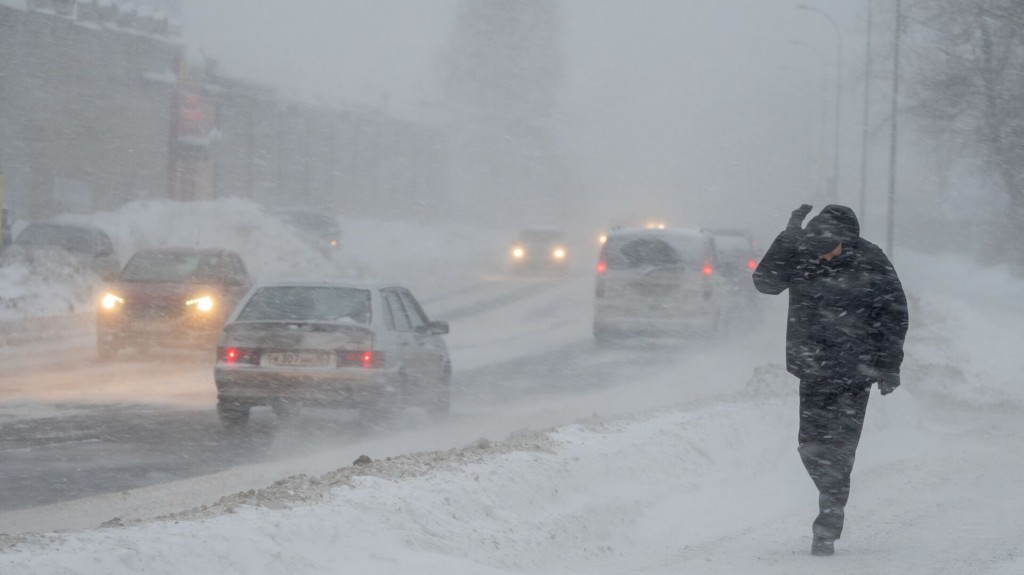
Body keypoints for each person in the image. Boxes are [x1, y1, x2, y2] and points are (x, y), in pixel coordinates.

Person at [752, 204, 909, 556]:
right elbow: (765, 283)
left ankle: (828, 520)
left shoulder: (871, 259)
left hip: (856, 372)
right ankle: (832, 493)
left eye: (830, 249)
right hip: (813, 368)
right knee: (809, 446)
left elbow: (894, 313)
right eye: (816, 249)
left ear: (846, 240)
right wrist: (789, 235)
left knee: (840, 449)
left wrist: (889, 365)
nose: (823, 256)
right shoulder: (803, 253)